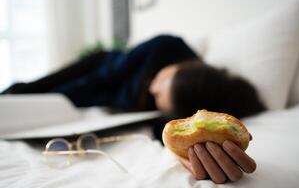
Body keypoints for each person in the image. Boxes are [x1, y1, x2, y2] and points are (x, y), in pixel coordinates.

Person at [2, 35, 264, 183]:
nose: (152, 90)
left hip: (100, 104)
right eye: (161, 82)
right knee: (22, 93)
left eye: (160, 97)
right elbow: (102, 77)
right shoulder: (168, 47)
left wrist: (186, 153)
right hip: (98, 70)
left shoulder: (187, 102)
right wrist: (35, 95)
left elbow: (163, 127)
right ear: (181, 66)